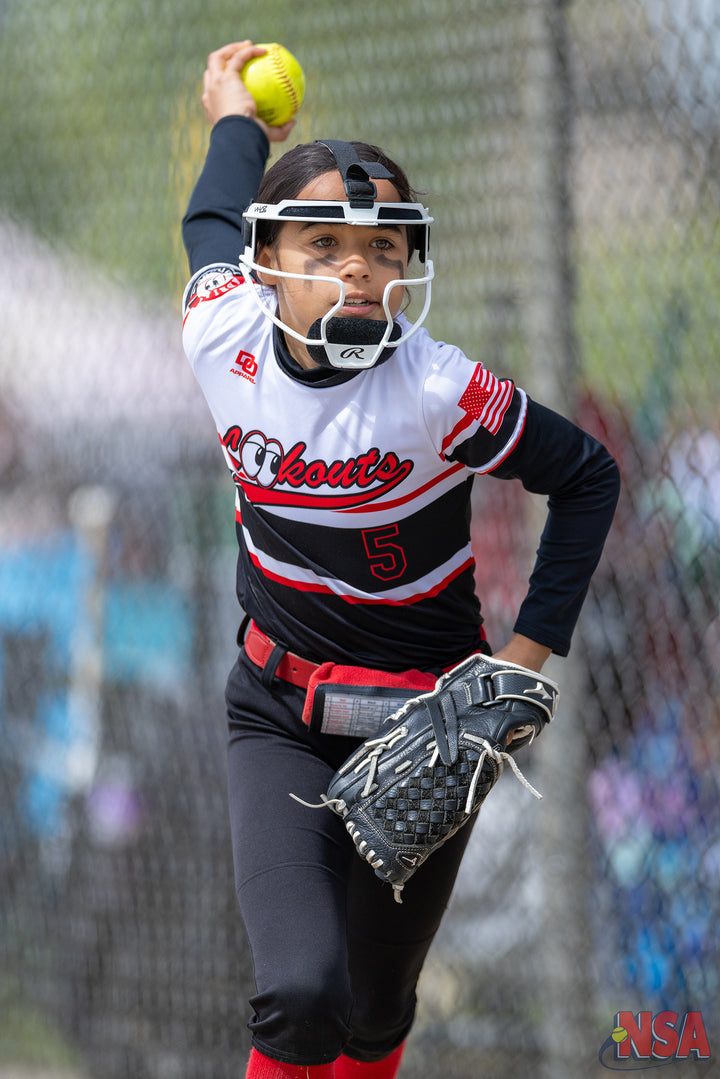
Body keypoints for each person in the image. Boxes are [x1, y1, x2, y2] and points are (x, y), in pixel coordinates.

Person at [181, 40, 621, 1079]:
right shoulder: (220, 335)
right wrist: (234, 120)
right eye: (324, 244)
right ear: (268, 261)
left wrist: (521, 661)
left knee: (375, 1017)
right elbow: (208, 219)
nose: (360, 271)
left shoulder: (439, 391)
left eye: (382, 249)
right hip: (279, 716)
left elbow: (589, 475)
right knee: (300, 994)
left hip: (431, 720)